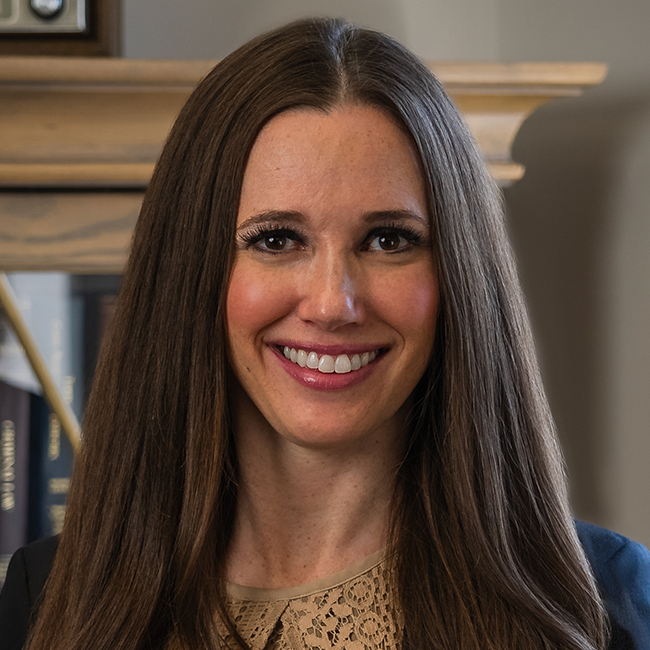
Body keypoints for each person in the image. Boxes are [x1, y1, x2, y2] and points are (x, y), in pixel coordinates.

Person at [1, 17, 649, 650]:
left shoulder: (609, 602)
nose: (333, 303)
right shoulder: (45, 597)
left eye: (389, 239)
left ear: (459, 275)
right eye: (276, 239)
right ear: (191, 270)